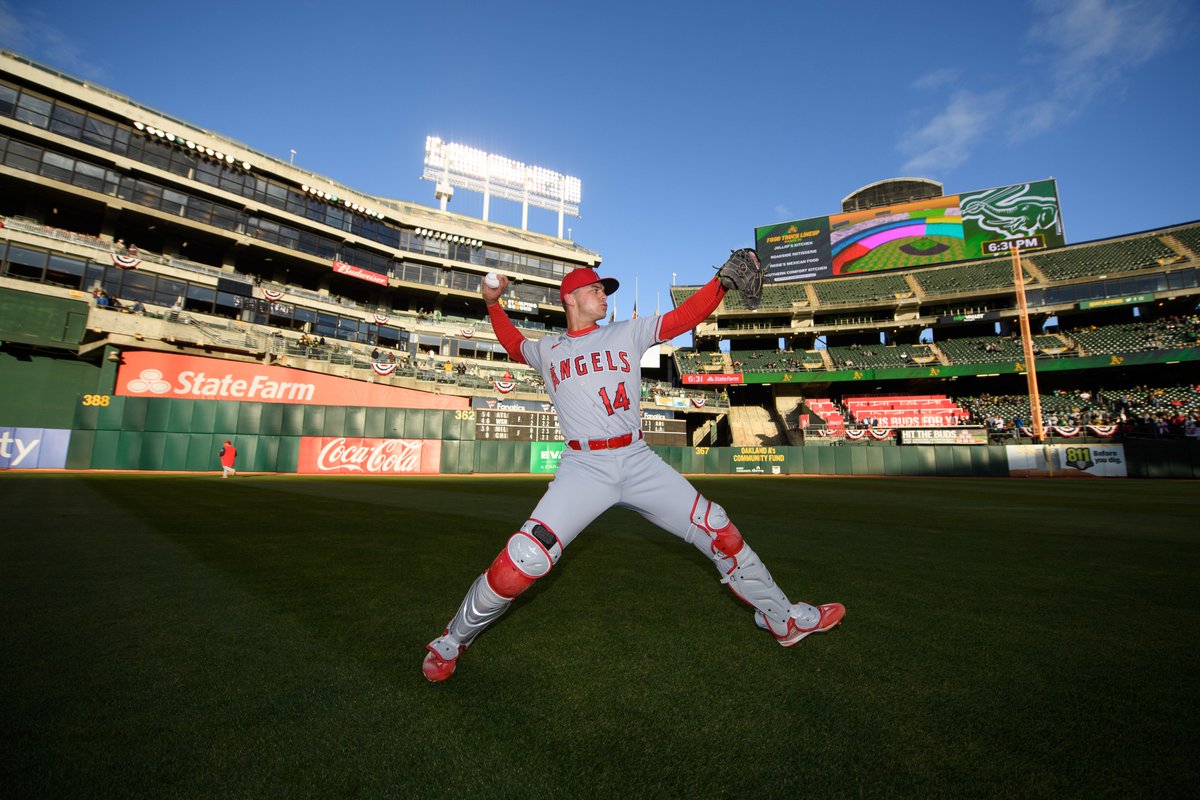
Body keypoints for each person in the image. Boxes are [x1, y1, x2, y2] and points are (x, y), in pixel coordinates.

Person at [422, 262, 845, 682]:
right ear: (570, 297)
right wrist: (492, 304)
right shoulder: (547, 349)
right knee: (524, 558)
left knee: (718, 528)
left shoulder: (627, 332)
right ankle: (452, 640)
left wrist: (720, 284)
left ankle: (784, 620)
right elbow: (513, 342)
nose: (604, 295)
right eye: (594, 289)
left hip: (638, 460)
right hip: (584, 467)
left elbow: (683, 317)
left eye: (605, 290)